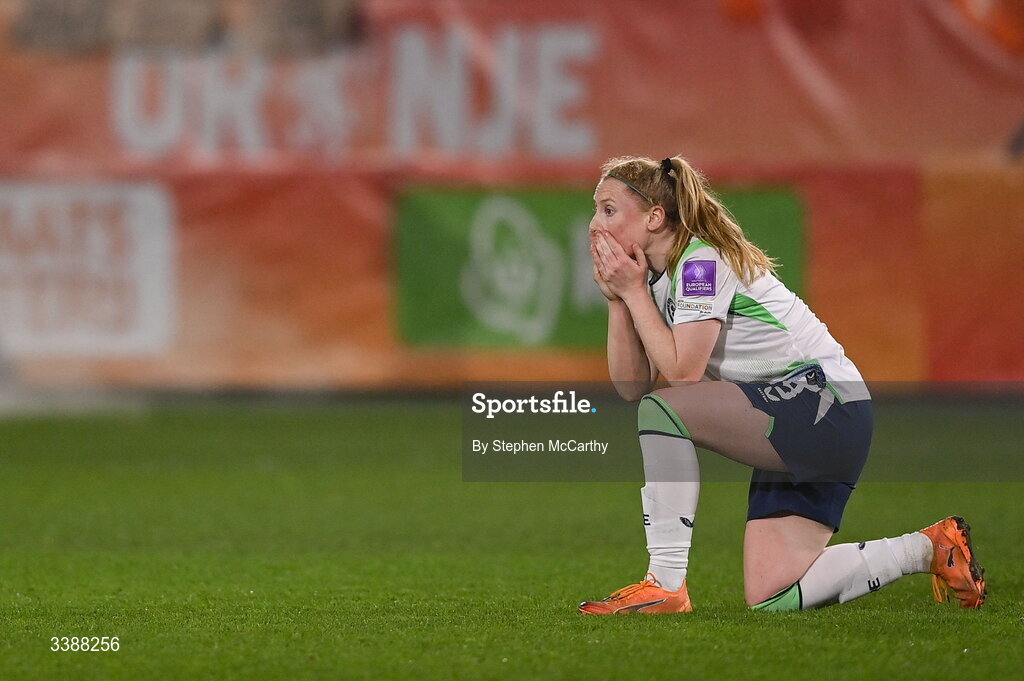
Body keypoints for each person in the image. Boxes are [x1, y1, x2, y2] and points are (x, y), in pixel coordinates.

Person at [578, 155, 986, 614]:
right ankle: (929, 548)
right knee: (772, 596)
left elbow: (683, 374)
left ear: (654, 217)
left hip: (824, 403)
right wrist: (619, 299)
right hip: (799, 410)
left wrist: (632, 294)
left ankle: (666, 583)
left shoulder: (700, 262)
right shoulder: (653, 279)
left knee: (661, 409)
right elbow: (631, 386)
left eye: (608, 209)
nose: (595, 223)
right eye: (596, 209)